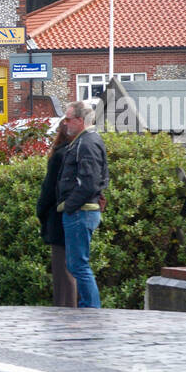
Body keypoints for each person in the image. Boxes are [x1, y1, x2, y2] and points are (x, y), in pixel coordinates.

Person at [56, 100, 110, 308]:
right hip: (81, 211)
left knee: (79, 265)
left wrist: (69, 205)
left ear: (80, 120)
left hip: (81, 211)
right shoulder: (84, 141)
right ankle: (89, 308)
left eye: (68, 119)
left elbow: (89, 182)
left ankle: (91, 309)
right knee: (76, 264)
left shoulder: (86, 143)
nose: (65, 123)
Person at [37, 119, 78, 307]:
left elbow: (48, 189)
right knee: (73, 265)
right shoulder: (79, 152)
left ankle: (65, 308)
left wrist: (41, 211)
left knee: (61, 268)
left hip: (57, 214)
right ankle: (69, 307)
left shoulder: (59, 155)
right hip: (77, 213)